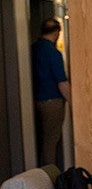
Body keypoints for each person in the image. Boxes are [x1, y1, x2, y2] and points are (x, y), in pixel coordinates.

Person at [31, 16, 70, 167]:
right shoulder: (53, 53)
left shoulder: (33, 49)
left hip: (36, 99)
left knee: (41, 138)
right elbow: (62, 82)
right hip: (52, 101)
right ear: (56, 33)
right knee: (51, 140)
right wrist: (74, 103)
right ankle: (49, 173)